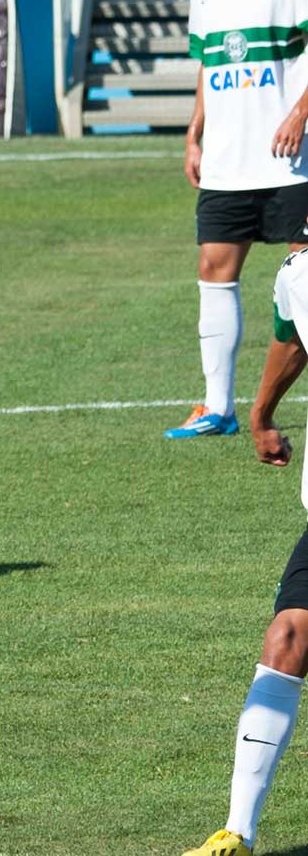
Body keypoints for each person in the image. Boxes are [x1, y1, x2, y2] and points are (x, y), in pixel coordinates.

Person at [166, 0, 308, 441]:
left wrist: (300, 113)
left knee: (306, 279)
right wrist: (194, 132)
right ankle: (218, 408)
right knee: (214, 270)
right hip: (227, 159)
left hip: (291, 159)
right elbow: (209, 63)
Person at [180, 247, 308, 856]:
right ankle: (237, 834)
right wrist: (261, 413)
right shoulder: (297, 274)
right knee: (287, 637)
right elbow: (293, 335)